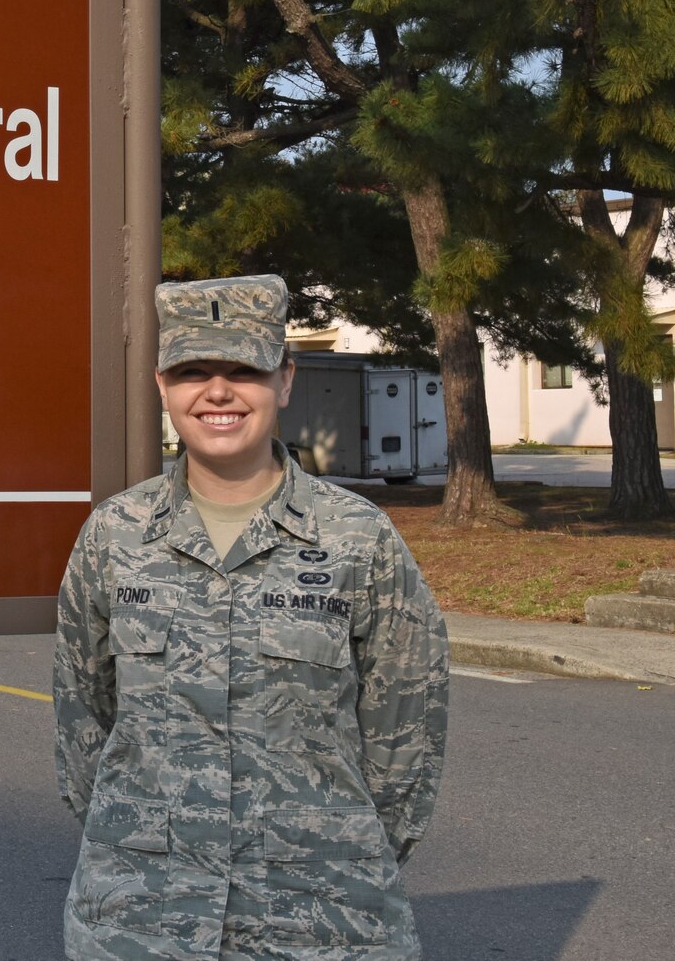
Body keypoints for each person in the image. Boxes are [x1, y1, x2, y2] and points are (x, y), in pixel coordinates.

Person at [53, 274, 449, 960]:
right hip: (143, 919)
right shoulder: (113, 536)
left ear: (285, 379)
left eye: (244, 369)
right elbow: (84, 722)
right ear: (161, 383)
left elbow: (406, 737)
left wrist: (333, 853)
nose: (217, 390)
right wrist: (146, 841)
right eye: (192, 370)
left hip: (321, 923)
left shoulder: (359, 539)